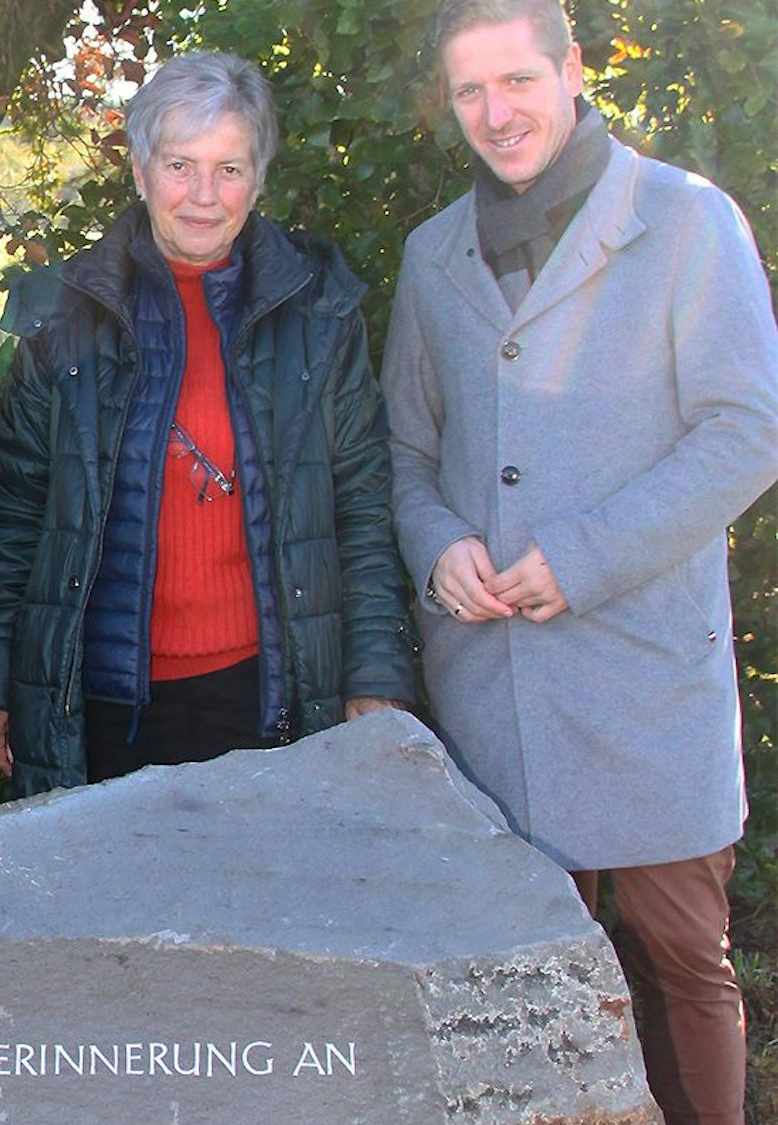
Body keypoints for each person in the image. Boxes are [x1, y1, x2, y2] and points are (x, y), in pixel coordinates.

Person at [382, 2, 778, 1120]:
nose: (494, 114)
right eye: (468, 92)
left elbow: (747, 432)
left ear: (569, 72)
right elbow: (405, 449)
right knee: (511, 977)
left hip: (641, 676)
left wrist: (584, 556)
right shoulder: (431, 253)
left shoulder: (686, 221)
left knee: (679, 970)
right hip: (489, 685)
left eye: (514, 82)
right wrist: (435, 543)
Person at [0, 52, 415, 797]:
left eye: (230, 168)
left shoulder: (319, 314)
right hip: (101, 702)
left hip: (267, 688)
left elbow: (362, 507)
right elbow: (16, 511)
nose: (204, 196)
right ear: (142, 171)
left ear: (260, 178)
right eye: (180, 165)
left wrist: (374, 670)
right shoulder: (65, 316)